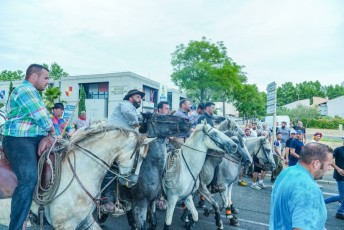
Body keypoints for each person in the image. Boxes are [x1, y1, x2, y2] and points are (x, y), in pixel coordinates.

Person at [2, 64, 55, 230]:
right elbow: (43, 117)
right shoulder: (26, 90)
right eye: (45, 78)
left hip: (34, 137)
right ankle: (16, 226)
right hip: (19, 138)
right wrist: (53, 130)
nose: (48, 82)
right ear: (34, 77)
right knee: (29, 178)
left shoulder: (34, 93)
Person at [270, 143, 333, 229]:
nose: (329, 169)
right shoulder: (308, 189)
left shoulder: (286, 172)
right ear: (316, 164)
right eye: (328, 164)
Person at [101, 89, 145, 213]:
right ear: (130, 98)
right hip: (114, 139)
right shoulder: (125, 105)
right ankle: (107, 198)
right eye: (138, 97)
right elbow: (131, 117)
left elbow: (138, 117)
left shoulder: (133, 109)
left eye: (140, 98)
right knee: (111, 168)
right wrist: (138, 125)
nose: (140, 100)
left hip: (122, 141)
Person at [324, 137, 344, 220]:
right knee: (343, 197)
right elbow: (329, 159)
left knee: (341, 197)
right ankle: (340, 212)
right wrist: (338, 169)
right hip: (340, 176)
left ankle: (321, 202)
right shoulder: (338, 150)